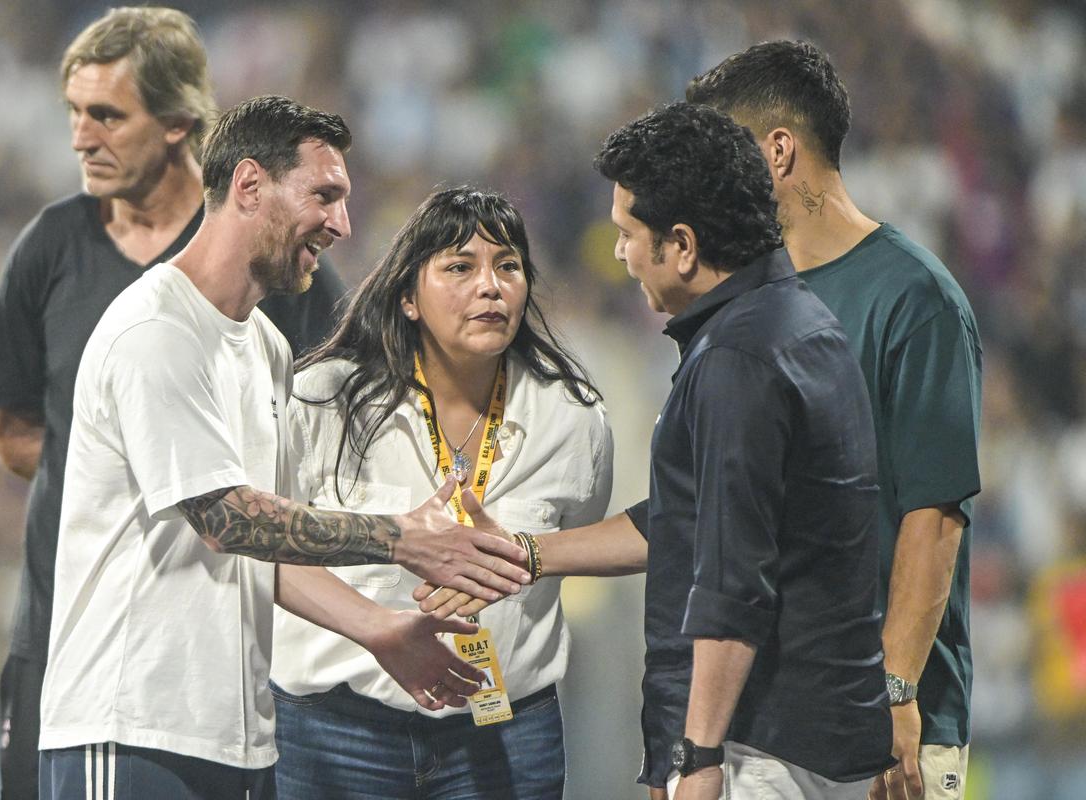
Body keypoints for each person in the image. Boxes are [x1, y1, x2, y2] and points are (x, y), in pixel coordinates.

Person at [36, 96, 529, 800]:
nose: (342, 224)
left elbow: (267, 547)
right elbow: (226, 521)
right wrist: (402, 538)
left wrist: (378, 629)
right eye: (324, 195)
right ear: (248, 186)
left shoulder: (265, 346)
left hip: (237, 738)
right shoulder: (156, 331)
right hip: (130, 726)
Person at [0, 8, 345, 798]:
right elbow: (12, 433)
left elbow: (313, 439)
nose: (80, 137)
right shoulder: (51, 250)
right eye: (74, 113)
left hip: (218, 664)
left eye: (105, 115)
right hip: (79, 631)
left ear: (179, 124)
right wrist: (153, 470)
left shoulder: (278, 267)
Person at [686, 41, 983, 800]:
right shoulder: (737, 309)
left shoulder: (914, 298)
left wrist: (891, 692)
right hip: (763, 719)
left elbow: (933, 511)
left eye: (721, 158)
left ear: (778, 151)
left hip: (883, 723)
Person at [269, 186, 613, 799]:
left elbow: (577, 537)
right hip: (337, 727)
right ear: (407, 297)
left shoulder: (573, 417)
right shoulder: (323, 399)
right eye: (459, 266)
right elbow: (265, 551)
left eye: (508, 266)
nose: (490, 286)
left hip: (507, 730)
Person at [592, 101, 893, 799]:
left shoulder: (737, 358)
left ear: (684, 247)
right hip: (821, 737)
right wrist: (532, 553)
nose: (620, 253)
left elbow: (733, 576)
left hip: (762, 751)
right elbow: (692, 515)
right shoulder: (799, 322)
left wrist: (698, 756)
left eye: (628, 234)